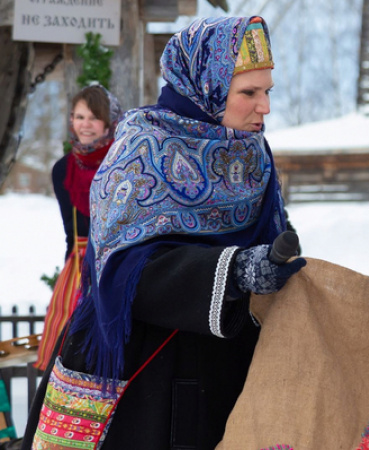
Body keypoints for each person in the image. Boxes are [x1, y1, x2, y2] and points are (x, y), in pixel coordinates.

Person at [21, 16, 305, 450]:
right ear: (203, 89)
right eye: (249, 93)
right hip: (145, 373)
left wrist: (275, 262)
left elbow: (268, 235)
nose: (264, 107)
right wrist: (235, 271)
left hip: (233, 363)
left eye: (267, 91)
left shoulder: (253, 154)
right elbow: (125, 270)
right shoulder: (144, 148)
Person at [35, 85, 123, 372]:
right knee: (67, 352)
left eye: (94, 117)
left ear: (109, 123)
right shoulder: (64, 169)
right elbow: (69, 233)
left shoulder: (123, 164)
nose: (85, 125)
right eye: (79, 116)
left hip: (118, 263)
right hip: (80, 267)